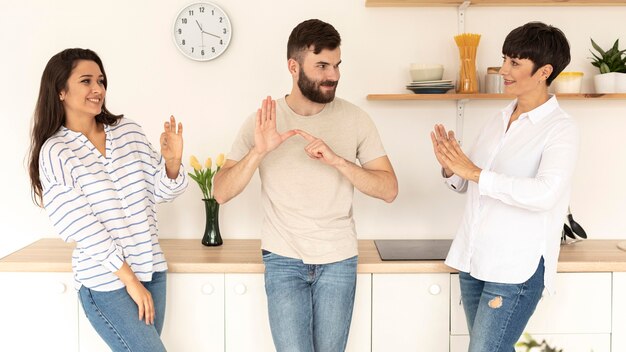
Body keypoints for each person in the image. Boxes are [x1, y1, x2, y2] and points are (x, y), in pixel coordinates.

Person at [214, 19, 398, 352]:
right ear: (293, 66)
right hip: (282, 260)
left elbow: (388, 189)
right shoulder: (263, 123)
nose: (334, 75)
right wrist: (259, 151)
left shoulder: (356, 119)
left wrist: (338, 161)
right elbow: (221, 191)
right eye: (323, 66)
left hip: (339, 260)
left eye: (338, 65)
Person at [431, 22, 579, 351]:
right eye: (505, 60)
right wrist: (450, 166)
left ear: (544, 72)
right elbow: (467, 182)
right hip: (474, 259)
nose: (503, 70)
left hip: (515, 268)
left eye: (515, 63)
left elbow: (545, 194)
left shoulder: (560, 129)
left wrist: (473, 172)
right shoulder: (498, 119)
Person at [28, 48, 188, 352]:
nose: (97, 89)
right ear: (61, 90)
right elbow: (81, 226)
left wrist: (172, 163)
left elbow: (161, 192)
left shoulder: (128, 131)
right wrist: (129, 279)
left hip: (151, 268)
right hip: (106, 281)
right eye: (86, 81)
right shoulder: (56, 151)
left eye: (100, 81)